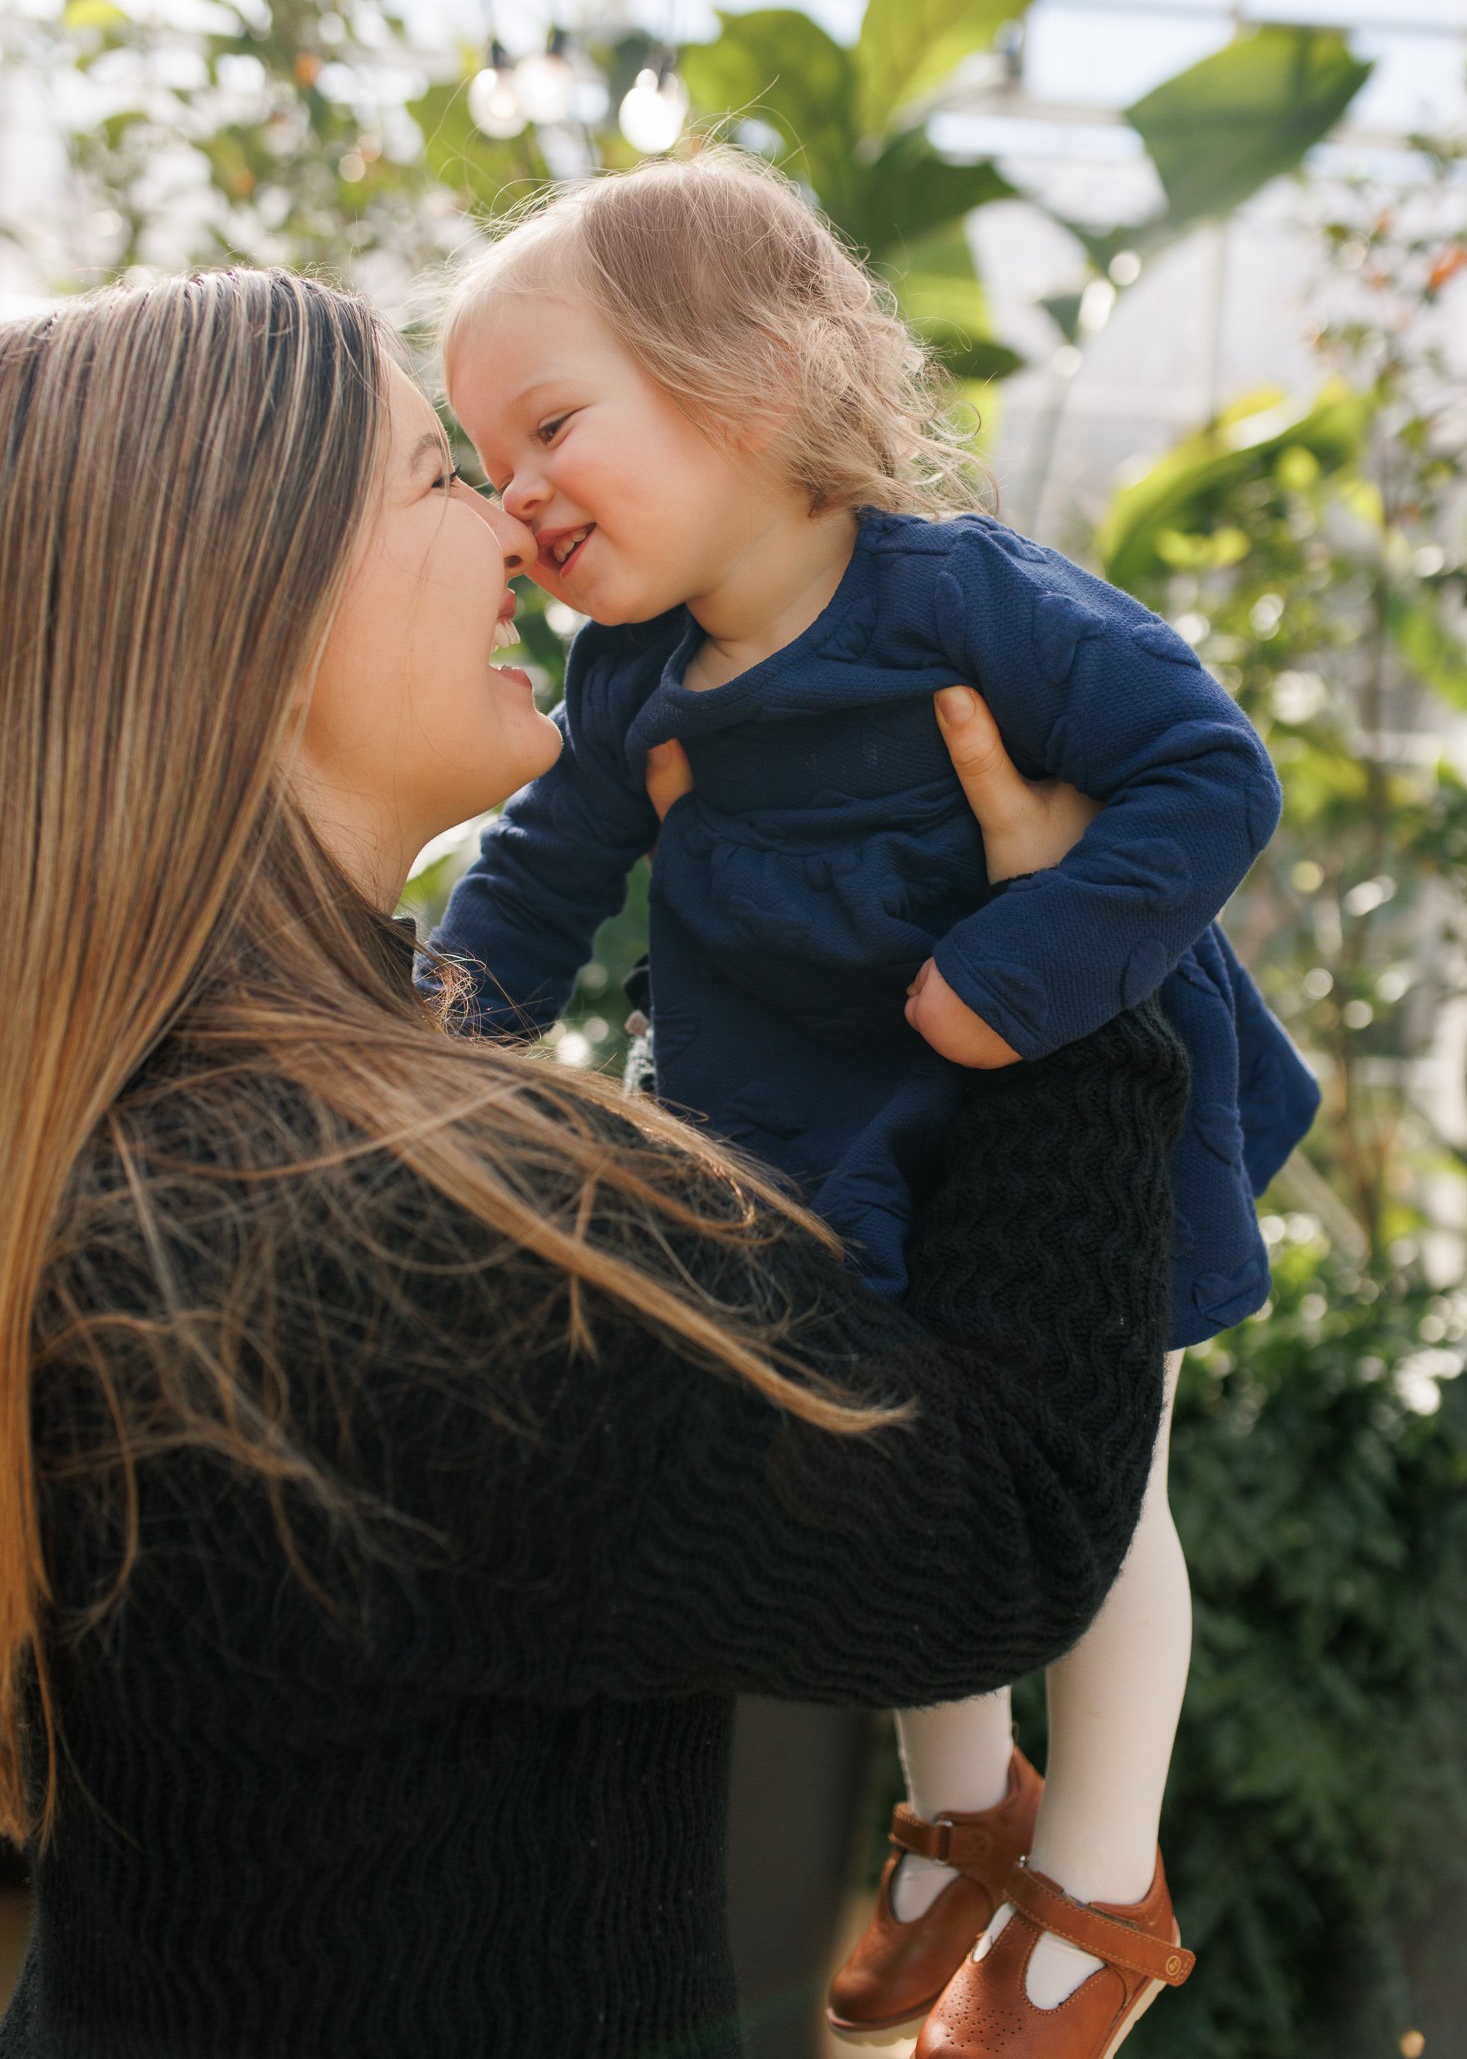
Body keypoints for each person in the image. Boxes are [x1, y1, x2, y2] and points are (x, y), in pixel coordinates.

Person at [0, 266, 1188, 2059]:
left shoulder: (144, 1130)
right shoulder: (377, 1237)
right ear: (247, 620)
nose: (512, 533)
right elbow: (998, 1538)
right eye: (433, 477)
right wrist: (1063, 968)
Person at [429, 148, 1321, 2059]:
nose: (513, 494)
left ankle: (1098, 1886)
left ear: (749, 381)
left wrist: (1025, 967)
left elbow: (1206, 775)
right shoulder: (633, 674)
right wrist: (438, 1043)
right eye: (480, 453)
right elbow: (533, 877)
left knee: (1101, 1503)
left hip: (1085, 1132)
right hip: (831, 1156)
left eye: (550, 424)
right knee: (909, 1478)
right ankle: (963, 1810)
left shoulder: (964, 603)